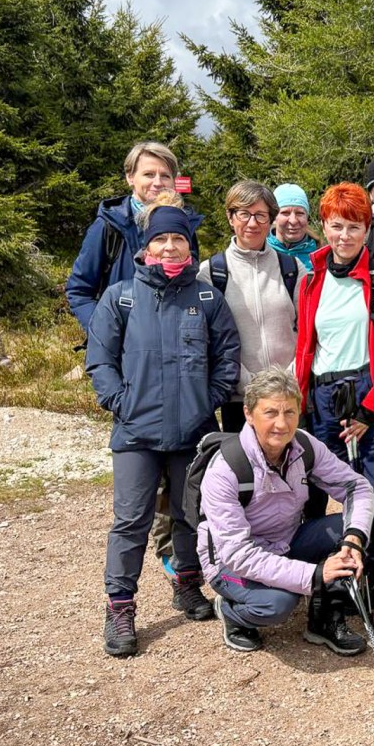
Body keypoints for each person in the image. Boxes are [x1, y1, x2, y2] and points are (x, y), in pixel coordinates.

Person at [86, 204, 241, 657]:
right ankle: (120, 606)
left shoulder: (207, 298)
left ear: (189, 247)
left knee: (189, 514)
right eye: (161, 239)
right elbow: (100, 360)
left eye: (178, 239)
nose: (170, 247)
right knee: (131, 521)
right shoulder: (121, 297)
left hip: (192, 432)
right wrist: (121, 403)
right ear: (147, 245)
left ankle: (187, 583)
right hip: (135, 433)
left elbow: (227, 357)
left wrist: (206, 402)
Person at [295, 182, 374, 647]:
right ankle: (335, 597)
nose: (344, 236)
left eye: (354, 227)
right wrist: (301, 403)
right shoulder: (310, 279)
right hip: (324, 398)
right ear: (324, 227)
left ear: (367, 230)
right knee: (322, 503)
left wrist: (370, 410)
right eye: (336, 226)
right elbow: (306, 346)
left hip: (373, 394)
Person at [197, 367, 374, 655]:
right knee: (278, 604)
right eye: (270, 413)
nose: (281, 424)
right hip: (229, 563)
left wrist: (354, 539)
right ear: (248, 414)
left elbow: (356, 487)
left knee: (357, 527)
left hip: (286, 540)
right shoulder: (225, 470)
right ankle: (232, 613)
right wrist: (315, 574)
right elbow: (238, 554)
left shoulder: (304, 445)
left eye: (289, 412)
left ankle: (323, 621)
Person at [199, 181, 300, 434]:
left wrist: (287, 381)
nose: (252, 223)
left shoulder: (292, 269)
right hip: (239, 399)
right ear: (230, 217)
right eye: (244, 214)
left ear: (271, 220)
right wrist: (249, 384)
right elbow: (209, 340)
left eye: (260, 215)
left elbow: (308, 330)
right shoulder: (211, 273)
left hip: (289, 395)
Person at [67, 141, 201, 332]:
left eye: (165, 176)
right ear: (130, 177)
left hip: (175, 340)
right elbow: (79, 290)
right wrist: (104, 334)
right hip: (122, 342)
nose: (158, 182)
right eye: (149, 174)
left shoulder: (186, 227)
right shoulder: (109, 226)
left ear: (173, 181)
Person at [269, 183, 319, 265]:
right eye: (285, 213)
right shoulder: (259, 252)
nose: (293, 221)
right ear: (273, 217)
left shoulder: (322, 256)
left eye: (299, 213)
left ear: (307, 218)